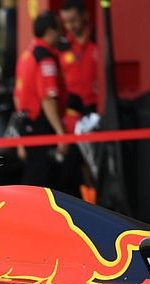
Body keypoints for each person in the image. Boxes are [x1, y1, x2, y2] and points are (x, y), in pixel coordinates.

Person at [13, 11, 68, 189]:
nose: (61, 34)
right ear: (50, 31)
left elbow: (17, 96)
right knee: (42, 183)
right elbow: (48, 98)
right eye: (59, 29)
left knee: (32, 178)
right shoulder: (45, 58)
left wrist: (21, 137)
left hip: (27, 125)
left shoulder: (26, 55)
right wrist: (61, 133)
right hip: (41, 127)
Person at [58, 0, 99, 197]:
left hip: (97, 111)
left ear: (85, 16)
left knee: (97, 165)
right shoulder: (62, 47)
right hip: (72, 114)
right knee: (72, 167)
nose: (71, 26)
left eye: (74, 20)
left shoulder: (99, 39)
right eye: (66, 22)